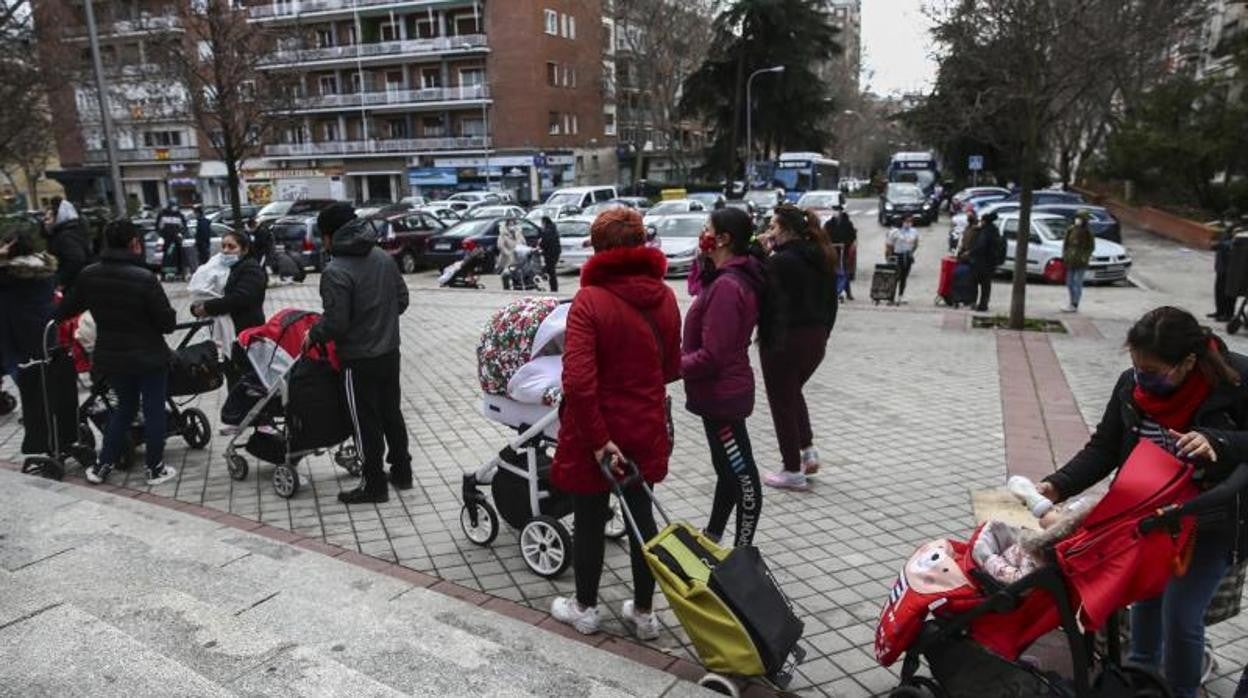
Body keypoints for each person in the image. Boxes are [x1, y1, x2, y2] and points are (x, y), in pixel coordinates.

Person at [1037, 307, 1248, 698]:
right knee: (1145, 602)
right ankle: (1138, 680)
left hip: (1212, 520)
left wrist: (1219, 442)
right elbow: (1104, 449)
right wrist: (1057, 485)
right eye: (1137, 367)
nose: (1142, 378)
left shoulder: (1235, 382)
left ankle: (1182, 691)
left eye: (1152, 371)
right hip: (1150, 519)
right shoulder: (1130, 388)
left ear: (1187, 362)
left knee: (1181, 617)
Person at [548, 207, 681, 639]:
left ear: (601, 250)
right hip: (645, 422)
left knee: (589, 517)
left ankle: (585, 608)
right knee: (643, 517)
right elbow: (672, 367)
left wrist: (600, 440)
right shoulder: (664, 297)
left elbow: (579, 383)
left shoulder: (589, 300)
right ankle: (644, 614)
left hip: (596, 430)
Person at [58, 219, 178, 486]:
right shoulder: (145, 278)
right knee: (154, 409)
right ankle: (154, 469)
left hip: (111, 357)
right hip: (149, 356)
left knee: (124, 408)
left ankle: (102, 466)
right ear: (134, 243)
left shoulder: (89, 274)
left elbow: (67, 308)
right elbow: (167, 323)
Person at [307, 204, 411, 504]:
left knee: (364, 420)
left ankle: (374, 484)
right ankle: (402, 472)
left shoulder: (335, 269)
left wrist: (313, 333)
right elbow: (402, 300)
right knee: (391, 412)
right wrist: (381, 321)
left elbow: (336, 324)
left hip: (357, 359)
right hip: (390, 352)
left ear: (329, 236)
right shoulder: (382, 257)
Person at [682, 207, 767, 546]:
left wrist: (671, 366)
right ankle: (712, 534)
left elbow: (713, 356)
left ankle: (742, 554)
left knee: (743, 478)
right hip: (716, 396)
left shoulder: (728, 287)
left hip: (722, 398)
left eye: (707, 228)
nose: (702, 234)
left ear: (723, 238)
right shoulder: (722, 279)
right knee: (727, 470)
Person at [759, 203, 837, 491]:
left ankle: (792, 469)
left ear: (788, 231)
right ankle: (808, 451)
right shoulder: (822, 257)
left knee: (781, 402)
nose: (769, 232)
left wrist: (764, 254)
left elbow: (761, 293)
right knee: (792, 393)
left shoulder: (780, 262)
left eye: (774, 227)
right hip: (815, 339)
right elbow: (832, 301)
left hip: (783, 340)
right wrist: (824, 333)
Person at [190, 230, 266, 335]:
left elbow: (239, 298)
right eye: (223, 246)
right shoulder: (224, 268)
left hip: (245, 331)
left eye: (231, 247)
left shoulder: (251, 269)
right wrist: (196, 307)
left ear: (244, 250)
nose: (225, 250)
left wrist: (207, 308)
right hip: (224, 330)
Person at [44, 197, 91, 291]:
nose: (45, 222)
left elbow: (76, 259)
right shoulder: (65, 233)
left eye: (48, 219)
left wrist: (61, 281)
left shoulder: (65, 237)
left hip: (71, 286)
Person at [960, 210, 1000, 312]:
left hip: (981, 263)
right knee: (986, 286)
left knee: (974, 282)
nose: (980, 222)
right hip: (991, 263)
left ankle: (974, 303)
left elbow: (981, 246)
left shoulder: (985, 233)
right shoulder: (994, 230)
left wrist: (969, 253)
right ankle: (984, 304)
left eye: (981, 221)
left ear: (985, 221)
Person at [1061, 210, 1095, 313]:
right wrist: (1065, 255)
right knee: (1069, 282)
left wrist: (1085, 256)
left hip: (1081, 260)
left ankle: (1075, 304)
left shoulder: (1088, 232)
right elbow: (1065, 244)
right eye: (1077, 217)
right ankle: (1071, 301)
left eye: (1080, 218)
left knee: (1077, 283)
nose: (1078, 220)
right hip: (1071, 259)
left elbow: (1091, 247)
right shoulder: (1071, 229)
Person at [1210, 208, 1239, 322]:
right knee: (1219, 289)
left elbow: (1234, 243)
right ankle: (1219, 311)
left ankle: (1228, 314)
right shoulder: (1227, 229)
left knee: (1229, 291)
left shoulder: (1238, 230)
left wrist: (1220, 244)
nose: (1226, 221)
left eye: (1228, 218)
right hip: (1221, 265)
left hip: (1232, 266)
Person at [825, 204, 857, 301]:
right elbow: (825, 236)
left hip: (844, 250)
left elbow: (852, 236)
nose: (835, 213)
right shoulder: (829, 223)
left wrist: (846, 244)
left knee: (844, 271)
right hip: (833, 250)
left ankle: (846, 292)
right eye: (834, 210)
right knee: (836, 272)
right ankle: (837, 291)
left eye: (837, 210)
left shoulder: (847, 223)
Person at [886, 216, 920, 303]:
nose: (908, 223)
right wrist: (890, 257)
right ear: (902, 222)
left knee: (904, 277)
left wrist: (911, 252)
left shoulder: (914, 232)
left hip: (907, 256)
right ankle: (891, 296)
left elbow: (916, 243)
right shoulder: (895, 232)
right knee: (895, 276)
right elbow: (889, 245)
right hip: (896, 255)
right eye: (906, 221)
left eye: (910, 221)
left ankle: (901, 295)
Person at [156, 201, 188, 280]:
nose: (175, 208)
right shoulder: (162, 215)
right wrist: (162, 235)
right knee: (167, 258)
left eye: (176, 206)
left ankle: (180, 273)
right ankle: (164, 274)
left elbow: (184, 227)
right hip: (167, 241)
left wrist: (181, 234)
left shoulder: (179, 215)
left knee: (179, 257)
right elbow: (158, 227)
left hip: (177, 240)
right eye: (174, 206)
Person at [496, 218, 523, 289]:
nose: (512, 226)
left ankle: (517, 287)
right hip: (506, 259)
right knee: (506, 274)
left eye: (513, 224)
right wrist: (508, 253)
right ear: (507, 225)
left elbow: (523, 243)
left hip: (517, 257)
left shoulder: (518, 233)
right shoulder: (503, 235)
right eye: (510, 225)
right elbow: (500, 246)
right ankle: (506, 288)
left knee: (516, 274)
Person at [538, 215, 561, 293]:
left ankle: (553, 288)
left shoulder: (547, 231)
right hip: (555, 253)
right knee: (551, 270)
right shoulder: (553, 229)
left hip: (549, 254)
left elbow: (544, 243)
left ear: (544, 222)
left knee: (551, 271)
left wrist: (540, 245)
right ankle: (553, 287)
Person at [193, 205, 212, 271]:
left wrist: (198, 242)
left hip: (203, 246)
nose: (195, 215)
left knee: (203, 262)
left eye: (195, 213)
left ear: (198, 213)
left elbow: (203, 235)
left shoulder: (202, 222)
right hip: (204, 245)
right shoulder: (202, 221)